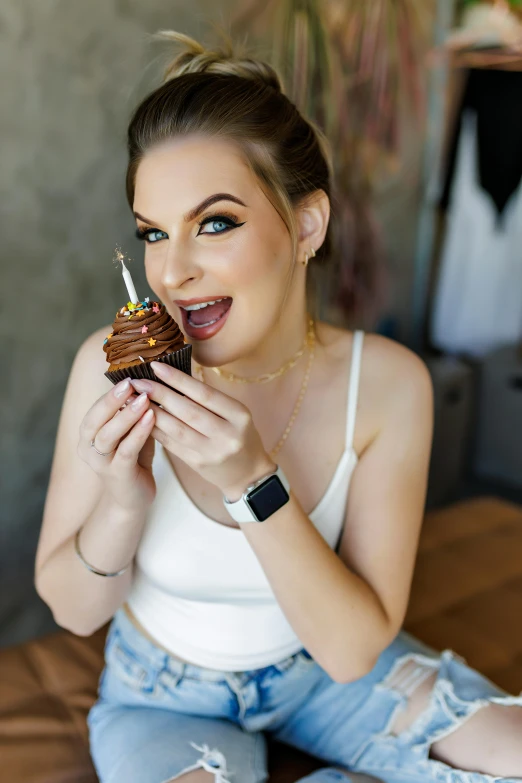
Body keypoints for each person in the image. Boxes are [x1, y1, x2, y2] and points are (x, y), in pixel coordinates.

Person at [35, 30, 522, 783]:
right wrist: (120, 501)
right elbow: (73, 611)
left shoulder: (389, 384)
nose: (173, 270)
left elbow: (354, 649)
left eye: (216, 223)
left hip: (326, 674)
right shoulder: (113, 368)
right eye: (154, 233)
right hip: (166, 698)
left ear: (305, 227)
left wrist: (253, 481)